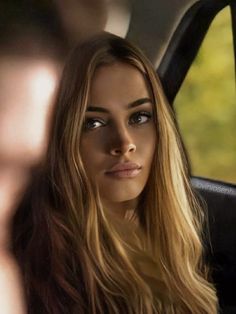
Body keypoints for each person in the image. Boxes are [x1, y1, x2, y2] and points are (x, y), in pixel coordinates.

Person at [13, 32, 218, 314]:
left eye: (139, 117)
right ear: (59, 138)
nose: (124, 143)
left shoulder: (170, 242)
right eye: (94, 123)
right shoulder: (42, 274)